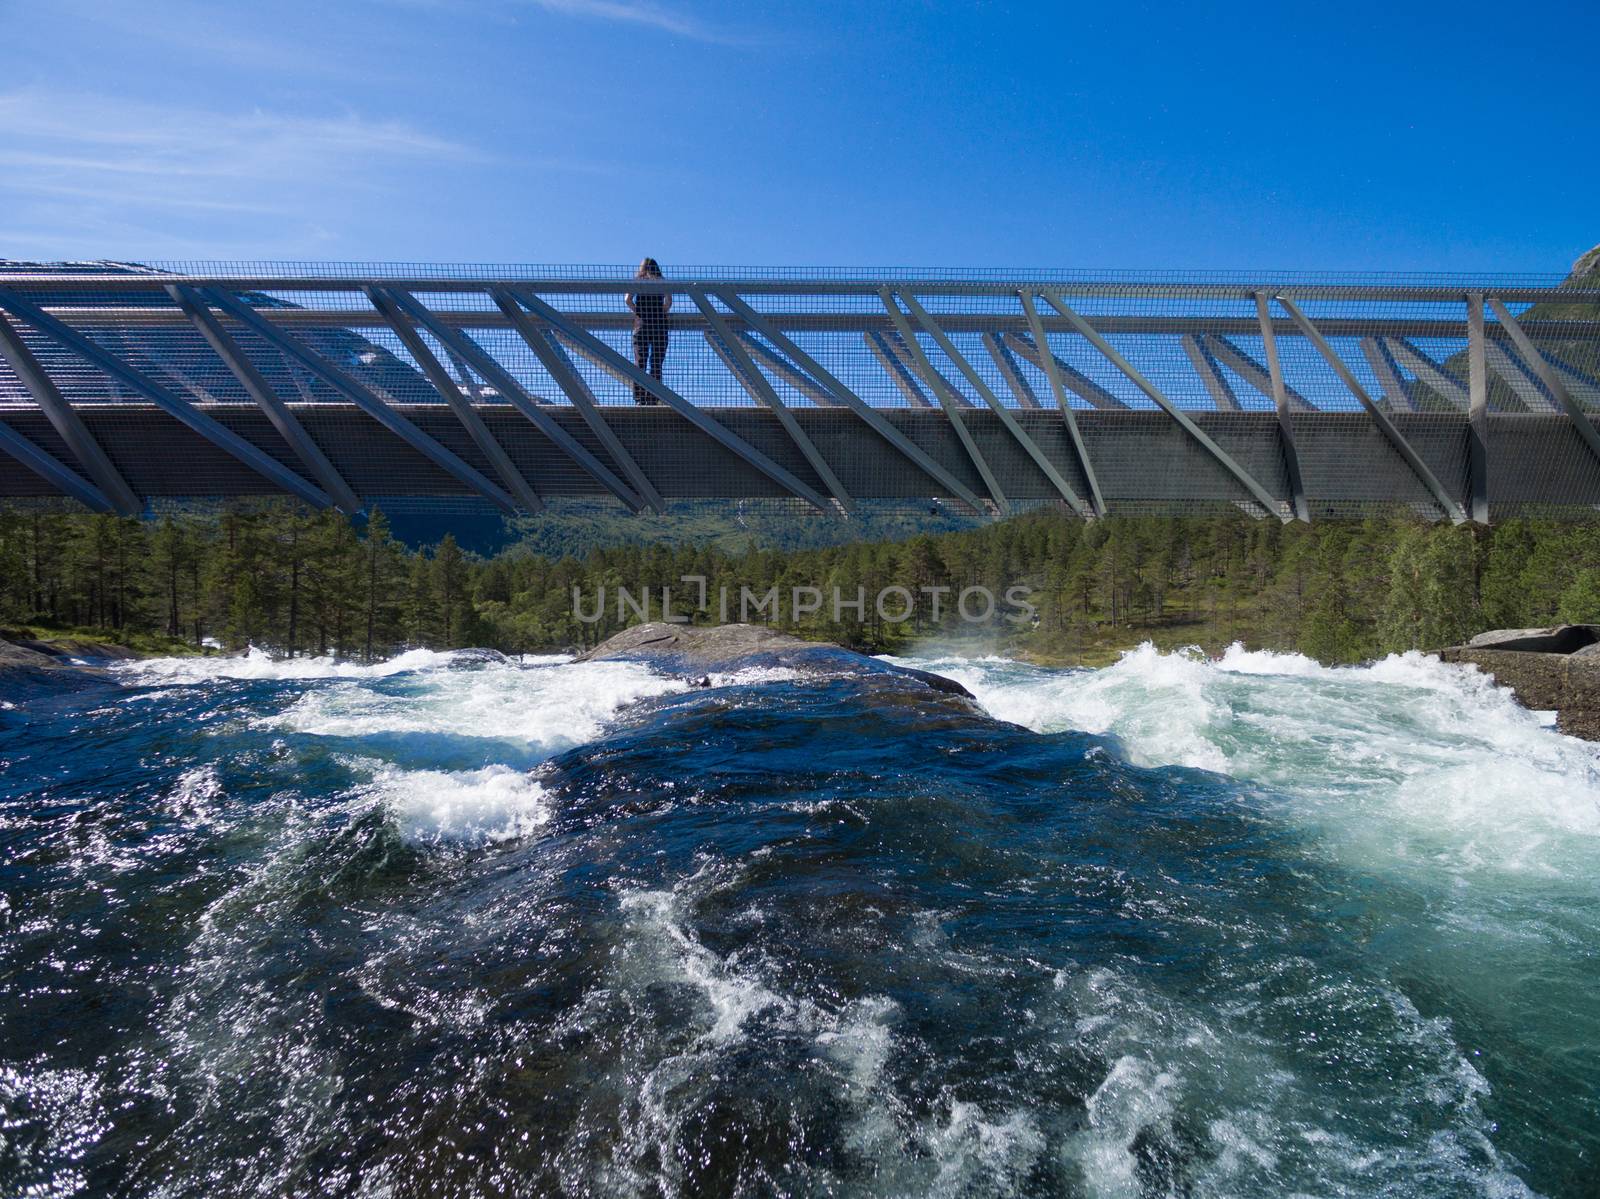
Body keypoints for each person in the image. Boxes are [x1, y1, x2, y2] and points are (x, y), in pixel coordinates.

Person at [626, 258, 670, 404]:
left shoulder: (639, 280)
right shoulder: (661, 281)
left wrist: (638, 311)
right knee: (656, 363)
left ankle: (639, 399)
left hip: (641, 325)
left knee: (640, 362)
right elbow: (668, 302)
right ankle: (653, 398)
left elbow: (627, 299)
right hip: (659, 325)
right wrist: (660, 311)